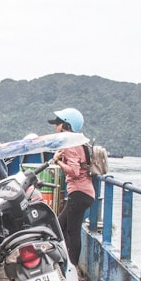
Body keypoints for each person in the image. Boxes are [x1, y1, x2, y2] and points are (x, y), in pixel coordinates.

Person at [50, 108, 94, 269]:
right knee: (62, 227)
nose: (56, 127)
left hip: (79, 192)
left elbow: (75, 172)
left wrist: (58, 161)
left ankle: (73, 267)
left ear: (66, 125)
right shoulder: (79, 142)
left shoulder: (70, 144)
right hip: (84, 192)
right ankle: (66, 264)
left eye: (58, 124)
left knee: (71, 231)